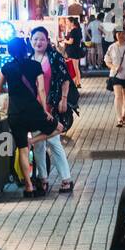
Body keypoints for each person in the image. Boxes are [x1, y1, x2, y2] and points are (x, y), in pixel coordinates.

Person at [0, 37, 58, 198]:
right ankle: (34, 141)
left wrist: (12, 93)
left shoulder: (6, 67)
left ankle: (28, 187)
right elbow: (41, 90)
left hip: (15, 113)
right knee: (58, 128)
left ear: (9, 51)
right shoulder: (35, 66)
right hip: (33, 111)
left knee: (22, 150)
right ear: (25, 48)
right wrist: (45, 110)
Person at [29, 26, 75, 193]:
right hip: (35, 108)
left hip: (51, 105)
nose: (38, 42)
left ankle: (66, 179)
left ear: (47, 40)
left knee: (54, 142)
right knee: (38, 144)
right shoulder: (30, 58)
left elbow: (65, 79)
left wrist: (63, 99)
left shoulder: (55, 57)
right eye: (35, 39)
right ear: (30, 40)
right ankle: (43, 179)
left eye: (41, 39)